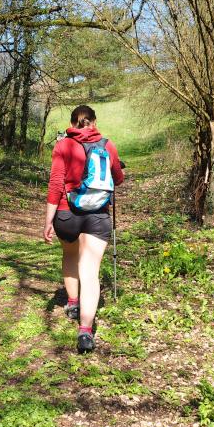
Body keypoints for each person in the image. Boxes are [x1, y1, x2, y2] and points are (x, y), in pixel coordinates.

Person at [43, 105, 124, 353]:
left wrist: (48, 219)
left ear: (72, 123)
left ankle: (72, 302)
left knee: (69, 254)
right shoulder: (107, 145)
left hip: (67, 214)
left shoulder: (63, 145)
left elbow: (56, 183)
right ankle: (85, 331)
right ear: (94, 122)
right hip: (97, 215)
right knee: (90, 272)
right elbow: (117, 178)